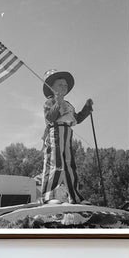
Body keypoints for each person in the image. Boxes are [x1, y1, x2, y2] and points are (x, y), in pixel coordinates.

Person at [41, 69, 93, 205]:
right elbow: (50, 117)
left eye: (65, 85)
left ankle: (74, 197)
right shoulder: (50, 102)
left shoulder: (69, 105)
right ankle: (48, 195)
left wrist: (87, 108)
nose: (64, 87)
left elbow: (77, 118)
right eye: (60, 85)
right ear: (51, 87)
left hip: (68, 133)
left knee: (70, 165)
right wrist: (57, 103)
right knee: (55, 163)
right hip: (55, 132)